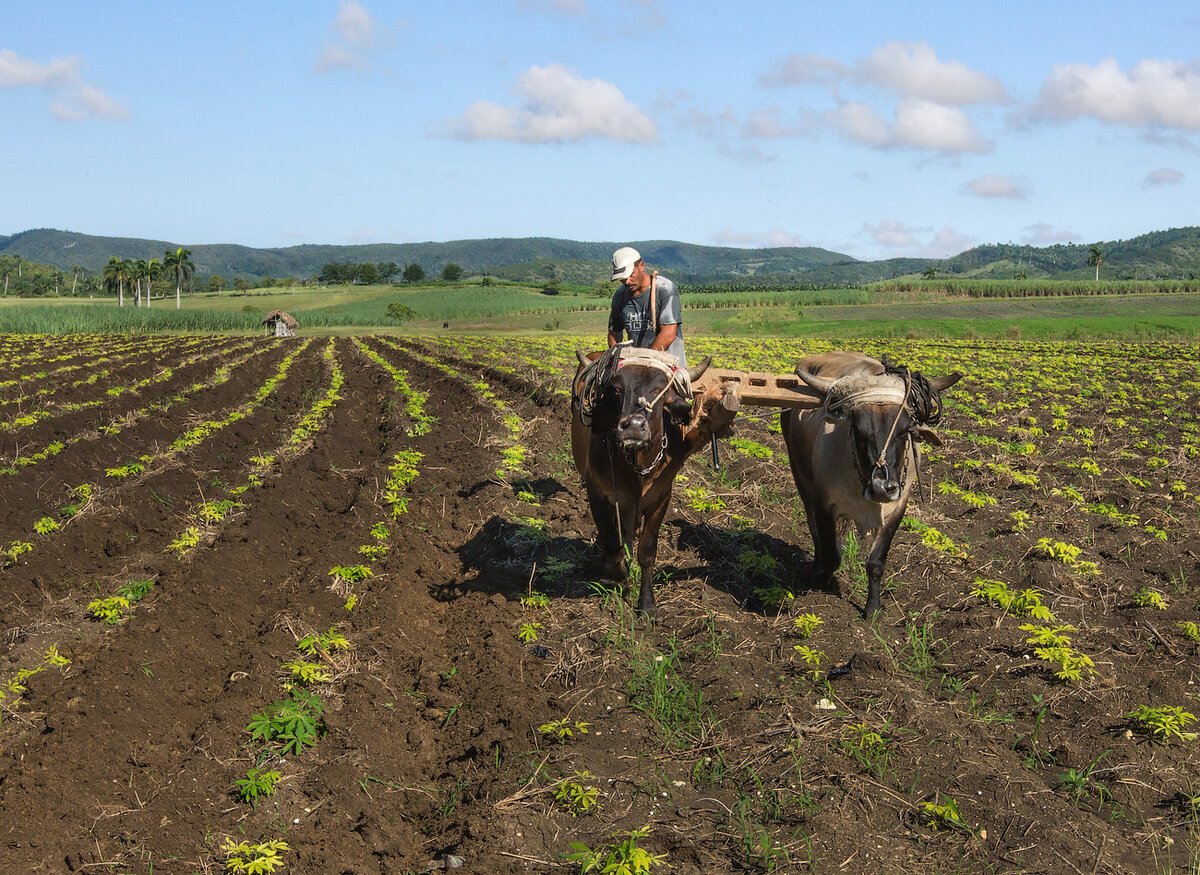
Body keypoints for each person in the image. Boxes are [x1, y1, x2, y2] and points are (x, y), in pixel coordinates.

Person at [607, 246, 687, 367]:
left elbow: (668, 334)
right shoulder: (619, 296)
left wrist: (646, 361)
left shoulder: (665, 289)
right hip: (635, 364)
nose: (627, 281)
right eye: (622, 279)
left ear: (641, 266)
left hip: (667, 362)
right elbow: (614, 333)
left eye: (631, 275)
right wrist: (617, 357)